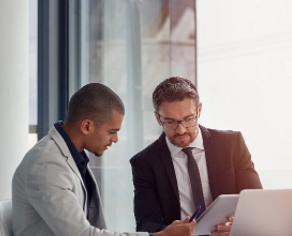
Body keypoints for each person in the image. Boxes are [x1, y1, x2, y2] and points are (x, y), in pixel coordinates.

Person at [12, 83, 196, 236]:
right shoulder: (46, 165)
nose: (115, 139)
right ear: (86, 126)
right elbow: (82, 235)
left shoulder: (71, 157)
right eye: (112, 132)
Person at [130, 77, 263, 235]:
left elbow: (257, 204)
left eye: (188, 119)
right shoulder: (144, 163)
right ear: (158, 118)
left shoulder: (232, 144)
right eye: (170, 122)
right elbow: (146, 225)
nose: (181, 130)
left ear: (199, 110)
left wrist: (238, 226)